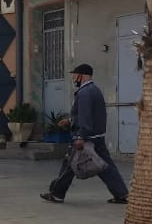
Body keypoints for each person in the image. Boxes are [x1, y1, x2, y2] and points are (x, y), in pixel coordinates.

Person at [41, 64, 129, 204]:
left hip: (85, 137)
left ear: (82, 76)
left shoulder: (84, 93)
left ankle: (57, 194)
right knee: (105, 166)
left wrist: (81, 136)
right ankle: (121, 193)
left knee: (69, 165)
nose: (73, 78)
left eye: (74, 75)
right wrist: (70, 120)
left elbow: (86, 117)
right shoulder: (94, 90)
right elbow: (88, 114)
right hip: (97, 136)